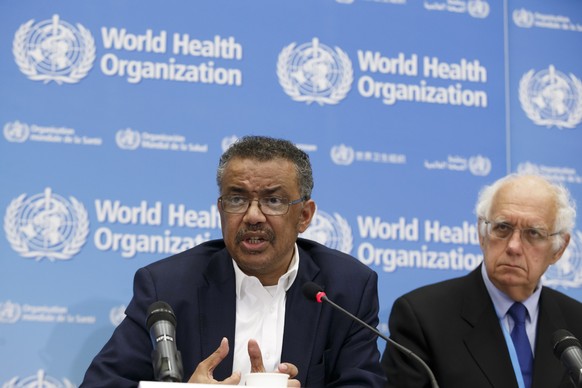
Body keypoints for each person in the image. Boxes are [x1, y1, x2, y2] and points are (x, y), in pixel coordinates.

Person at [81, 135, 386, 387]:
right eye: (237, 199)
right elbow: (100, 384)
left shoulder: (346, 289)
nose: (253, 215)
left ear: (304, 216)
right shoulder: (169, 286)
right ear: (221, 209)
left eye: (273, 201)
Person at [382, 173, 582, 388]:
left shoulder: (576, 321)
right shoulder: (422, 317)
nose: (514, 246)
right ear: (481, 232)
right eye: (502, 227)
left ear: (559, 248)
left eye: (533, 233)